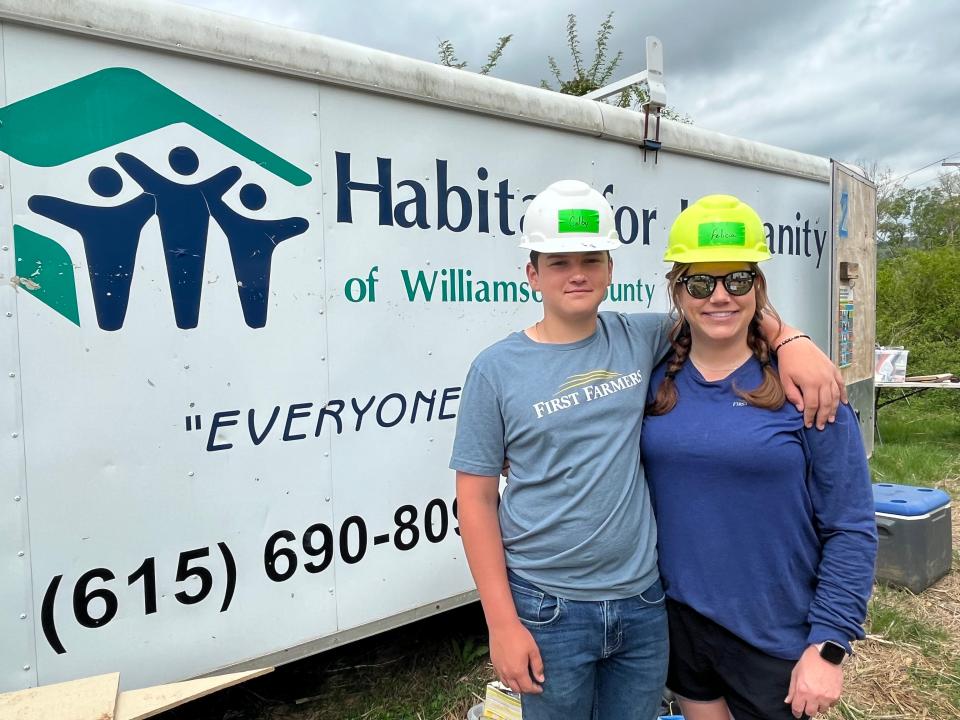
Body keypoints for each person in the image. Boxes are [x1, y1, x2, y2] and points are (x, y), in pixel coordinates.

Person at [450, 180, 846, 720]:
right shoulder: (495, 370)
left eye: (592, 259)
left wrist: (792, 341)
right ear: (532, 274)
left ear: (612, 269)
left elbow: (723, 312)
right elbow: (474, 501)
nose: (578, 273)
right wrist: (501, 623)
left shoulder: (641, 337)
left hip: (643, 602)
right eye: (559, 261)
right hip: (548, 604)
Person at [641, 194, 878, 720]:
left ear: (758, 287)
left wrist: (829, 646)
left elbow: (851, 525)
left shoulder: (807, 389)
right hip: (682, 625)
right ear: (678, 290)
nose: (719, 296)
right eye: (701, 282)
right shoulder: (654, 378)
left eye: (737, 280)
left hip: (775, 638)